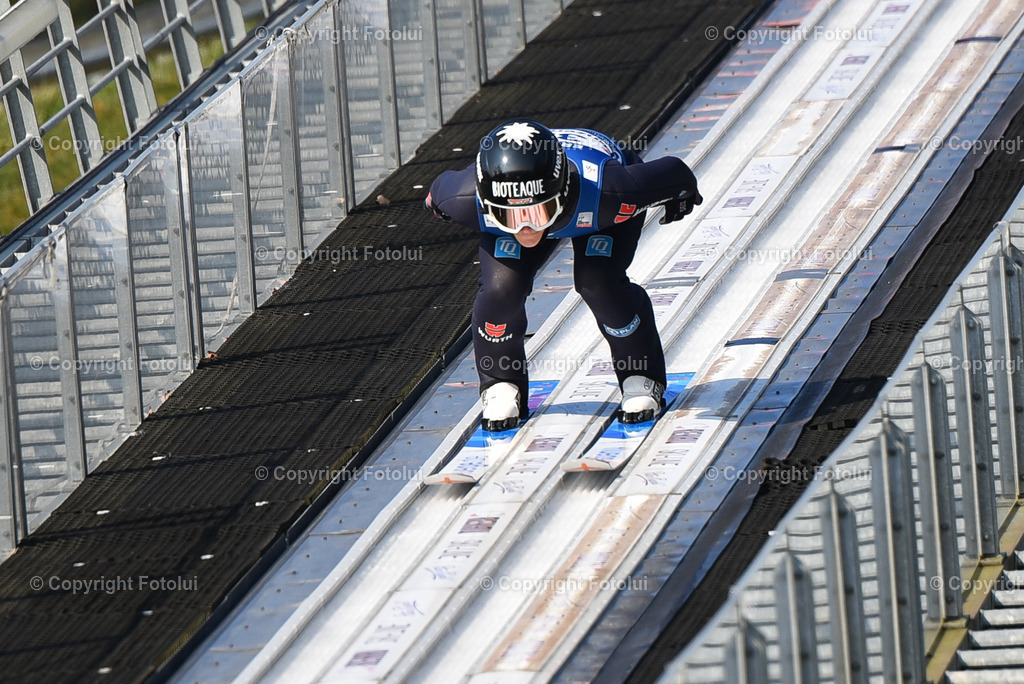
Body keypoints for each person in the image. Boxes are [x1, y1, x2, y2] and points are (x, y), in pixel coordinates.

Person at [425, 120, 701, 431]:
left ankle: (642, 375)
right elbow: (437, 196)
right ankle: (500, 383)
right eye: (510, 214)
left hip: (597, 213)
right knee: (500, 291)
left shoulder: (612, 190)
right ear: (488, 202)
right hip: (575, 203)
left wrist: (680, 195)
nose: (525, 228)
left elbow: (676, 174)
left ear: (564, 192)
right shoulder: (463, 199)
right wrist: (680, 193)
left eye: (535, 212)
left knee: (598, 282)